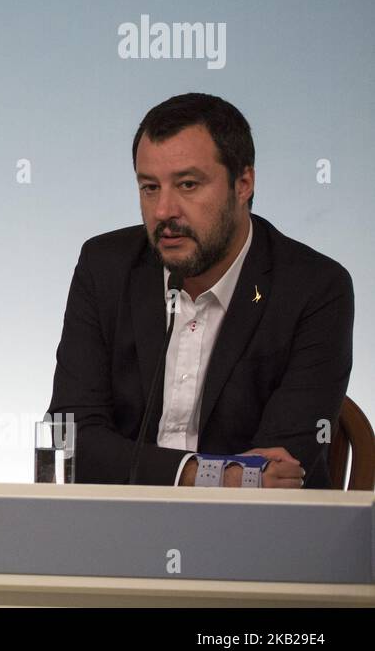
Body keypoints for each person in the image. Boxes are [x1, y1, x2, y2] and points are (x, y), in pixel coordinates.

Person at [48, 93, 353, 488]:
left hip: (254, 539)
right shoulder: (105, 267)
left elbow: (280, 471)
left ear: (243, 183)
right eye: (150, 187)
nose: (163, 211)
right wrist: (204, 475)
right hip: (119, 528)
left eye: (188, 184)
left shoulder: (314, 288)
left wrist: (205, 479)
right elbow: (68, 440)